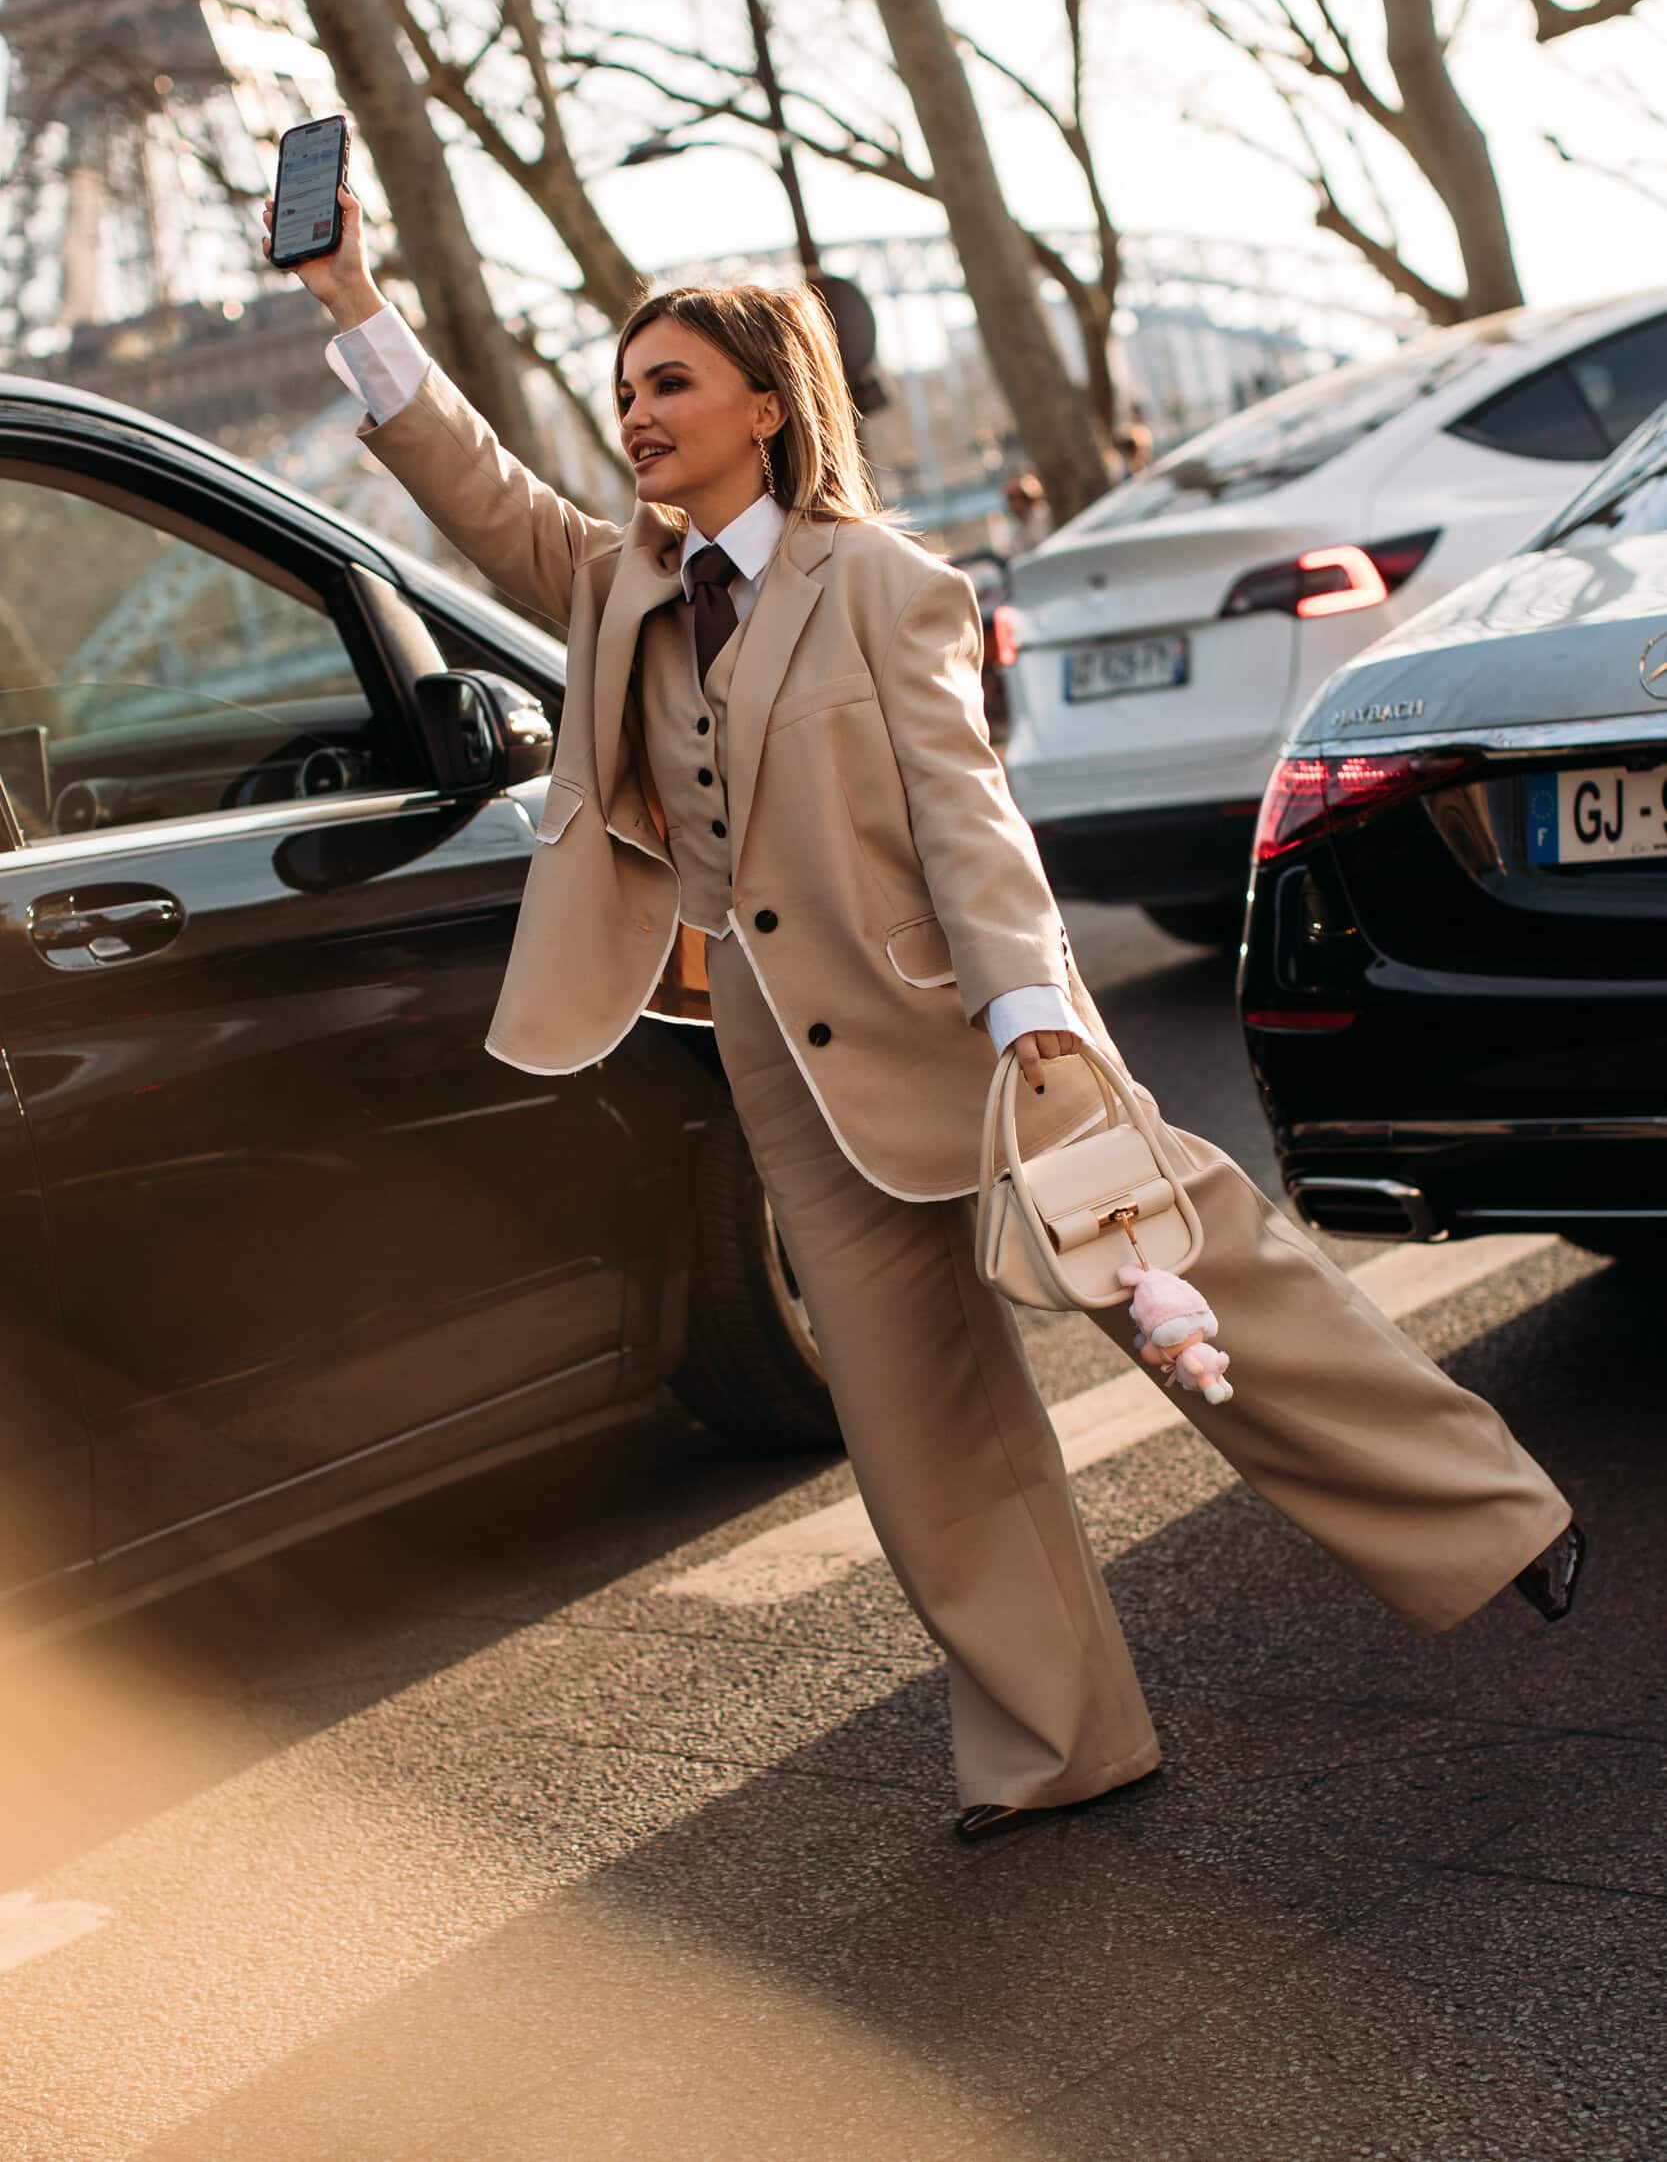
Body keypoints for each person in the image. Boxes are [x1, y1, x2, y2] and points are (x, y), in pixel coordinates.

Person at [263, 165, 1585, 1843]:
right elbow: (479, 491)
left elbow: (965, 812)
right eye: (620, 392)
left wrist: (1035, 1009)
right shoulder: (619, 588)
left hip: (963, 1031)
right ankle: (1055, 1742)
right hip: (782, 1073)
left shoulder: (879, 580)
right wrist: (352, 306)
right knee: (915, 1423)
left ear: (764, 398)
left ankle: (1489, 1515)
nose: (635, 414)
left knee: (1204, 1291)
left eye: (668, 381)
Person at [1001, 469, 1053, 554]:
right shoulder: (1019, 524)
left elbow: (1043, 548)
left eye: (1017, 498)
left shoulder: (1040, 514)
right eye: (1010, 499)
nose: (1013, 505)